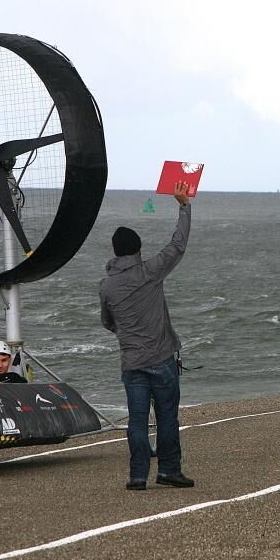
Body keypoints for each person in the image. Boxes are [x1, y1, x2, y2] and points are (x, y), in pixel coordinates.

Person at [100, 180, 194, 491]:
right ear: (138, 250)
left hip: (131, 361)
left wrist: (126, 333)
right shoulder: (149, 271)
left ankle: (137, 476)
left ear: (115, 252)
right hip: (161, 358)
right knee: (167, 417)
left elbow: (107, 321)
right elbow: (177, 245)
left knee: (137, 420)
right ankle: (168, 470)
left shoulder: (107, 285)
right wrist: (184, 206)